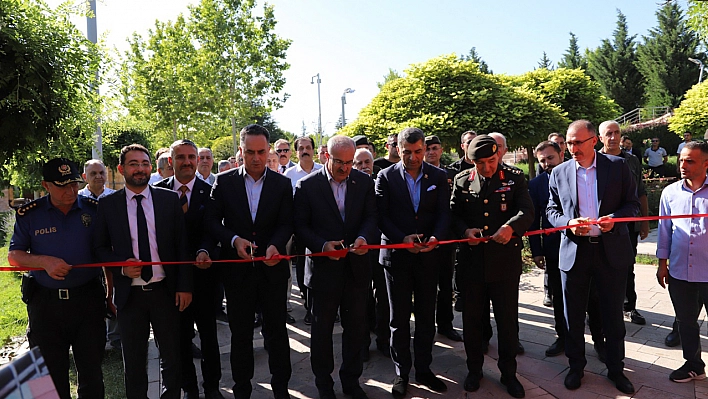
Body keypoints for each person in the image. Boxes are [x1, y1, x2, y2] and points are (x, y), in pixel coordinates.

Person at [547, 120, 639, 395]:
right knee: (573, 315)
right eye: (569, 142)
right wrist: (568, 222)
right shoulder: (559, 172)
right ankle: (576, 367)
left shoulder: (618, 166)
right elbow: (551, 211)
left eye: (578, 142)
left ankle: (616, 368)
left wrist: (617, 219)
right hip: (575, 251)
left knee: (612, 314)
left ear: (593, 142)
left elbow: (633, 204)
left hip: (610, 250)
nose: (572, 148)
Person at [93, 144, 192, 399]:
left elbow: (183, 246)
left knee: (172, 357)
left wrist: (184, 286)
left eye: (145, 163)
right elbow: (99, 248)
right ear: (121, 169)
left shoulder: (168, 200)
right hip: (130, 296)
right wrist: (121, 267)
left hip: (165, 292)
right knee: (134, 362)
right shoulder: (108, 205)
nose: (140, 169)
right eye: (134, 164)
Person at [204, 124, 292, 399]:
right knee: (240, 335)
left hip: (272, 269)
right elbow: (212, 221)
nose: (256, 158)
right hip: (237, 273)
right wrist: (233, 240)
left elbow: (287, 222)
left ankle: (281, 389)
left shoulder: (282, 183)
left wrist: (276, 245)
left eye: (261, 152)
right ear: (240, 151)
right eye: (250, 152)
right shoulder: (224, 181)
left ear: (269, 151)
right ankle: (242, 390)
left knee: (276, 332)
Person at [8, 158, 106, 399]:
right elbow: (14, 256)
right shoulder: (31, 214)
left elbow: (107, 255)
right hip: (46, 304)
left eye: (73, 184)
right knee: (50, 379)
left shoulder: (93, 210)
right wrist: (44, 262)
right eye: (62, 186)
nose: (70, 191)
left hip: (88, 300)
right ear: (46, 185)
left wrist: (110, 295)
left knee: (92, 374)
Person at [294, 135, 378, 399]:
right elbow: (300, 227)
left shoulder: (364, 182)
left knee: (355, 328)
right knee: (322, 333)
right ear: (326, 157)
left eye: (350, 163)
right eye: (339, 162)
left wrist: (364, 238)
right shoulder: (307, 186)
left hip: (356, 269)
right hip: (323, 272)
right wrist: (321, 246)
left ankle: (351, 381)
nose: (345, 168)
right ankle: (324, 385)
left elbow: (371, 217)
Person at [450, 135, 533, 398]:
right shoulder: (463, 181)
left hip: (504, 263)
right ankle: (474, 370)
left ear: (499, 155)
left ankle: (509, 374)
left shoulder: (514, 178)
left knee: (507, 323)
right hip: (472, 264)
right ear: (470, 161)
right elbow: (452, 214)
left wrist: (511, 227)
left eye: (491, 161)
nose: (487, 168)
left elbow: (527, 211)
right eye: (480, 163)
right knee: (473, 322)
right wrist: (464, 229)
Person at [376, 127, 450, 397]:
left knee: (426, 318)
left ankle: (424, 369)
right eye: (406, 152)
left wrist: (435, 237)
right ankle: (401, 373)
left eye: (418, 151)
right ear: (397, 148)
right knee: (398, 320)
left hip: (429, 257)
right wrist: (401, 238)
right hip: (397, 257)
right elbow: (381, 217)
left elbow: (444, 213)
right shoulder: (384, 176)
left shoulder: (439, 176)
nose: (413, 157)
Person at [155, 139, 222, 399]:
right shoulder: (158, 193)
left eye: (191, 157)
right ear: (171, 162)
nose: (187, 162)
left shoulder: (211, 192)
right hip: (171, 283)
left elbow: (213, 228)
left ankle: (213, 388)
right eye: (180, 157)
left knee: (209, 338)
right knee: (180, 339)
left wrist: (205, 250)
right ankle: (190, 389)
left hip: (205, 278)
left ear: (197, 160)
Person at [656, 141, 708, 383]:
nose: (683, 165)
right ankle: (694, 365)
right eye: (681, 160)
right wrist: (662, 264)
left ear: (705, 164)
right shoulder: (670, 193)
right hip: (680, 271)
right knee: (686, 322)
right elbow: (665, 231)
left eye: (690, 161)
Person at [598, 121, 649, 326]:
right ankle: (597, 309)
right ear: (600, 138)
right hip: (601, 225)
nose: (613, 137)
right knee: (599, 267)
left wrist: (644, 222)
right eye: (608, 133)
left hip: (627, 225)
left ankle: (629, 307)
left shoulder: (632, 161)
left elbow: (641, 191)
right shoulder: (594, 161)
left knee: (627, 266)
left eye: (616, 133)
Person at [77, 159, 120, 351]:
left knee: (114, 294)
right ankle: (95, 337)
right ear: (85, 177)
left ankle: (116, 337)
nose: (98, 176)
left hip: (111, 254)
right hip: (86, 255)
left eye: (101, 172)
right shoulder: (76, 200)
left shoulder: (115, 198)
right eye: (93, 173)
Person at [528, 141, 565, 358]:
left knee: (592, 296)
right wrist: (537, 250)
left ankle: (599, 340)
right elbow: (534, 221)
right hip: (553, 248)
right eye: (542, 160)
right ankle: (562, 336)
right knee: (558, 295)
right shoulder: (536, 184)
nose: (546, 164)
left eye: (550, 158)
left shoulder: (576, 175)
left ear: (561, 155)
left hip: (580, 245)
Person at [423, 135, 462, 343]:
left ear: (441, 149)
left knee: (446, 283)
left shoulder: (452, 174)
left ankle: (446, 324)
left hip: (446, 237)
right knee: (426, 284)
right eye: (427, 148)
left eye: (435, 148)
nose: (431, 152)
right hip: (424, 237)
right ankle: (426, 324)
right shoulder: (419, 173)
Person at [283, 136, 323, 324]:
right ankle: (309, 307)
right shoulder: (289, 175)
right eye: (301, 148)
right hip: (299, 231)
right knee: (302, 270)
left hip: (321, 229)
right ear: (296, 151)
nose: (305, 151)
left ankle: (321, 306)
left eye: (308, 147)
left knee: (322, 271)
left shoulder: (323, 172)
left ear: (313, 150)